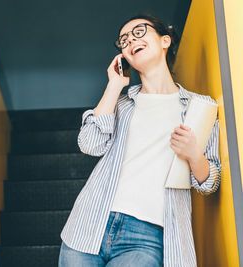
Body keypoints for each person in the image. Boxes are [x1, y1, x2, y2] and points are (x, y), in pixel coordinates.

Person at [58, 13, 221, 267]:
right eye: (123, 40)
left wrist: (193, 154)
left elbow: (209, 182)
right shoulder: (122, 104)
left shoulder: (199, 108)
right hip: (89, 225)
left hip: (148, 237)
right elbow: (89, 143)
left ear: (165, 40)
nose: (130, 40)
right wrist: (115, 85)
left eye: (139, 31)